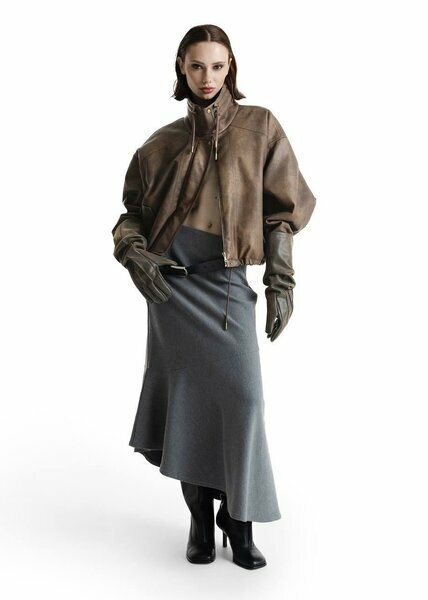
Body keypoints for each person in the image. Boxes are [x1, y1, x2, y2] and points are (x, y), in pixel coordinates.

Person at [111, 24, 316, 570]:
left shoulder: (260, 127)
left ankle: (239, 521)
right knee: (188, 407)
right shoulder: (159, 145)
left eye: (218, 66)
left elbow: (283, 212)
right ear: (182, 67)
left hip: (226, 286)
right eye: (197, 66)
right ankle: (201, 519)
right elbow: (131, 216)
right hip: (171, 292)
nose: (208, 77)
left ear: (231, 68)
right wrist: (133, 253)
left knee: (244, 403)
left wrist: (280, 282)